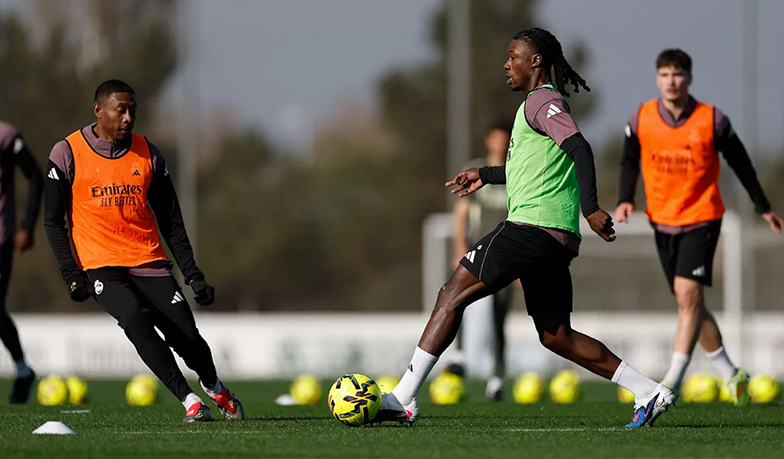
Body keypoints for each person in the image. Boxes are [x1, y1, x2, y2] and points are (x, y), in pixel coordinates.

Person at [376, 28, 675, 428]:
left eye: (513, 56)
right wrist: (484, 173)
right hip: (553, 237)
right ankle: (648, 390)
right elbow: (528, 168)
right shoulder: (534, 107)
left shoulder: (543, 101)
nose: (507, 63)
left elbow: (580, 148)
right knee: (556, 336)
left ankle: (402, 398)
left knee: (451, 293)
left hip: (532, 227)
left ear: (536, 61)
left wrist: (590, 209)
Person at [43, 80, 244, 422]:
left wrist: (193, 273)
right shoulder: (66, 153)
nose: (127, 117)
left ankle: (214, 386)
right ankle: (190, 401)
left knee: (186, 336)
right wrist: (71, 274)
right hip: (101, 266)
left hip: (148, 260)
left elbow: (171, 221)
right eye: (120, 109)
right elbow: (52, 222)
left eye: (132, 110)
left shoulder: (148, 153)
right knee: (135, 320)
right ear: (98, 110)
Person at [614, 49, 783, 406]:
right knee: (689, 301)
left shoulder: (712, 120)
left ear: (689, 78)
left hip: (703, 216)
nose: (671, 82)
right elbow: (629, 161)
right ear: (657, 78)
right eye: (664, 74)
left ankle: (668, 384)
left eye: (677, 74)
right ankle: (729, 372)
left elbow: (741, 162)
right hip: (662, 219)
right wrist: (626, 198)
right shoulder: (641, 118)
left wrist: (762, 205)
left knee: (687, 296)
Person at [447, 119, 515, 401]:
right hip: (478, 251)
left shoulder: (517, 169)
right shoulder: (475, 168)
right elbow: (460, 214)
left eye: (505, 138)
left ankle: (497, 378)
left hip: (509, 255)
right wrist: (459, 248)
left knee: (500, 318)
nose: (500, 143)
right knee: (456, 299)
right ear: (488, 140)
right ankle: (459, 356)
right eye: (496, 138)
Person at [0, 121, 43, 404]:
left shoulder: (6, 136)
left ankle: (22, 368)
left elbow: (36, 177)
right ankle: (24, 371)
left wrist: (27, 226)